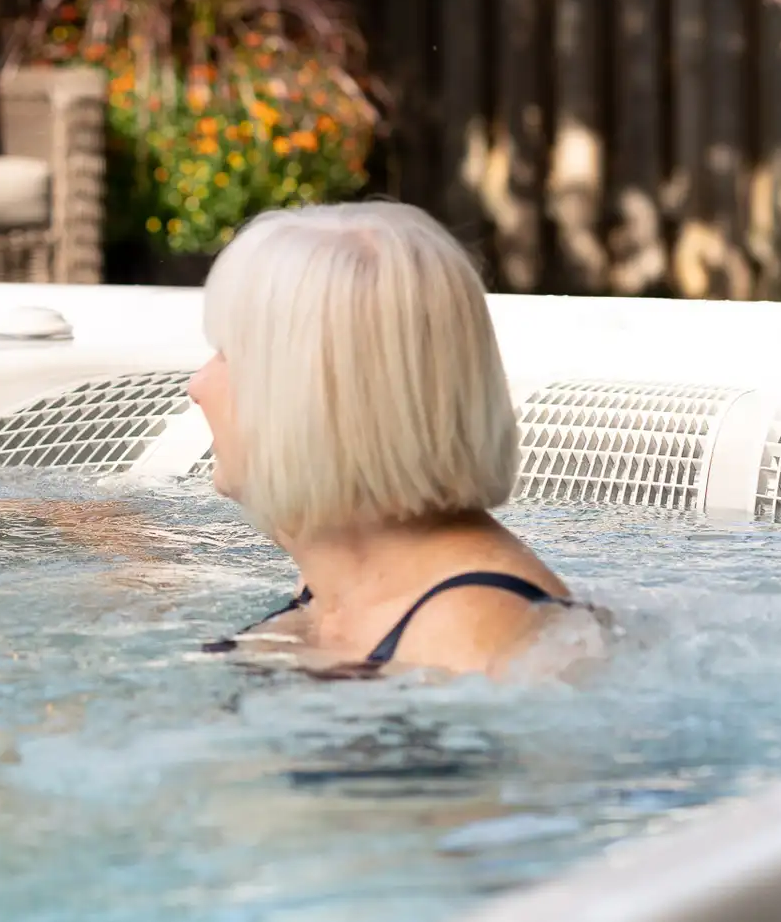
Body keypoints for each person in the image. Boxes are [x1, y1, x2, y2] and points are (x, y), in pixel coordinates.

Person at [187, 201, 601, 679]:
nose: (197, 385)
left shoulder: (477, 640)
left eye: (226, 355)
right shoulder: (341, 568)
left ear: (311, 399)